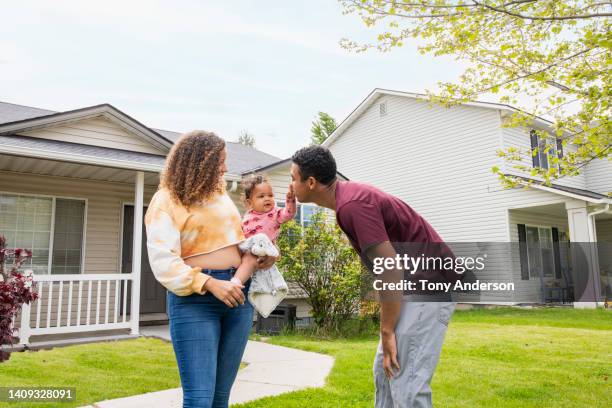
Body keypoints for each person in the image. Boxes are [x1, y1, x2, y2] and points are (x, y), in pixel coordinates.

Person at [289, 145, 456, 408]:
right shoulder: (347, 200)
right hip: (413, 284)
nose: (290, 184)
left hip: (428, 285)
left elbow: (390, 267)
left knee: (406, 382)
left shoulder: (353, 205)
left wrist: (387, 330)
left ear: (310, 182)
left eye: (292, 178)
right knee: (385, 371)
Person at [144, 130, 276, 408]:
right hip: (196, 300)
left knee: (220, 398)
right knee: (200, 399)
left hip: (237, 295)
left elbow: (234, 242)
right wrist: (210, 283)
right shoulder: (166, 200)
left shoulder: (220, 197)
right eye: (221, 161)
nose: (226, 167)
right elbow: (162, 261)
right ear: (199, 162)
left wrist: (258, 257)